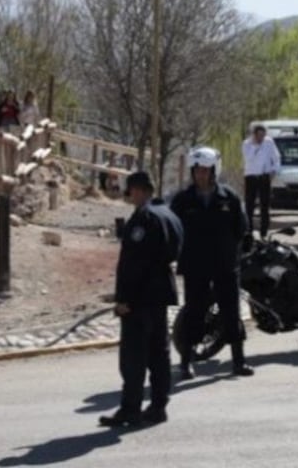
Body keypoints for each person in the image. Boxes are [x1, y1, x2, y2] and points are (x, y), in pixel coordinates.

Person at [99, 171, 183, 427]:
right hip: (159, 292)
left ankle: (130, 408)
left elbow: (133, 264)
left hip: (140, 296)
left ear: (141, 190)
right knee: (159, 353)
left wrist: (124, 299)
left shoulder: (144, 219)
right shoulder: (168, 214)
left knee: (134, 356)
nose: (130, 195)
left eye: (132, 190)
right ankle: (158, 405)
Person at [171, 146, 254, 379]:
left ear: (214, 171)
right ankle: (186, 362)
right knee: (193, 312)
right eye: (197, 170)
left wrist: (236, 251)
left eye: (206, 170)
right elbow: (172, 231)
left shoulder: (229, 198)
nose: (201, 175)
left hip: (225, 266)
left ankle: (239, 361)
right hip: (195, 266)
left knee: (231, 311)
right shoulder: (182, 201)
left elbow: (242, 229)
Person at [242, 124, 281, 237]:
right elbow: (248, 159)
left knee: (265, 206)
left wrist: (274, 170)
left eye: (263, 136)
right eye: (259, 136)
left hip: (264, 177)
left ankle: (263, 232)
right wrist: (254, 145)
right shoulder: (246, 144)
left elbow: (276, 157)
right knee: (250, 205)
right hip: (251, 177)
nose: (261, 138)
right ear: (254, 135)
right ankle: (248, 231)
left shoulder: (269, 142)